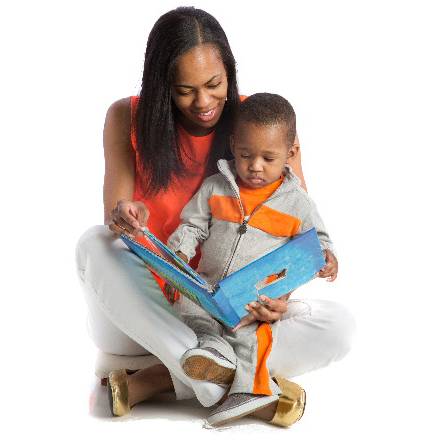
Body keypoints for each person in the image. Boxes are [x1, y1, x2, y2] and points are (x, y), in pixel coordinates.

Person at [75, 6, 355, 426]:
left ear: (230, 72)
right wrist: (128, 215)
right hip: (146, 313)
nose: (203, 103)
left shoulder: (264, 127)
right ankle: (227, 382)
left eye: (214, 84)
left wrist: (280, 298)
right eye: (184, 90)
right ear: (160, 85)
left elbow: (298, 239)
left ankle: (160, 378)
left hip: (234, 316)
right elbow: (117, 223)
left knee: (340, 327)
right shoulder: (124, 117)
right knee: (94, 243)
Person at [164, 92, 338, 426]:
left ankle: (248, 391)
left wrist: (327, 258)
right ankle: (213, 353)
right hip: (208, 290)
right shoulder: (216, 187)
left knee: (252, 337)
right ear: (232, 145)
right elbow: (192, 225)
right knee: (188, 313)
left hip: (254, 301)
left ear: (290, 154)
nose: (255, 166)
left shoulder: (297, 203)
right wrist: (182, 251)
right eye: (245, 155)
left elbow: (318, 241)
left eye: (268, 159)